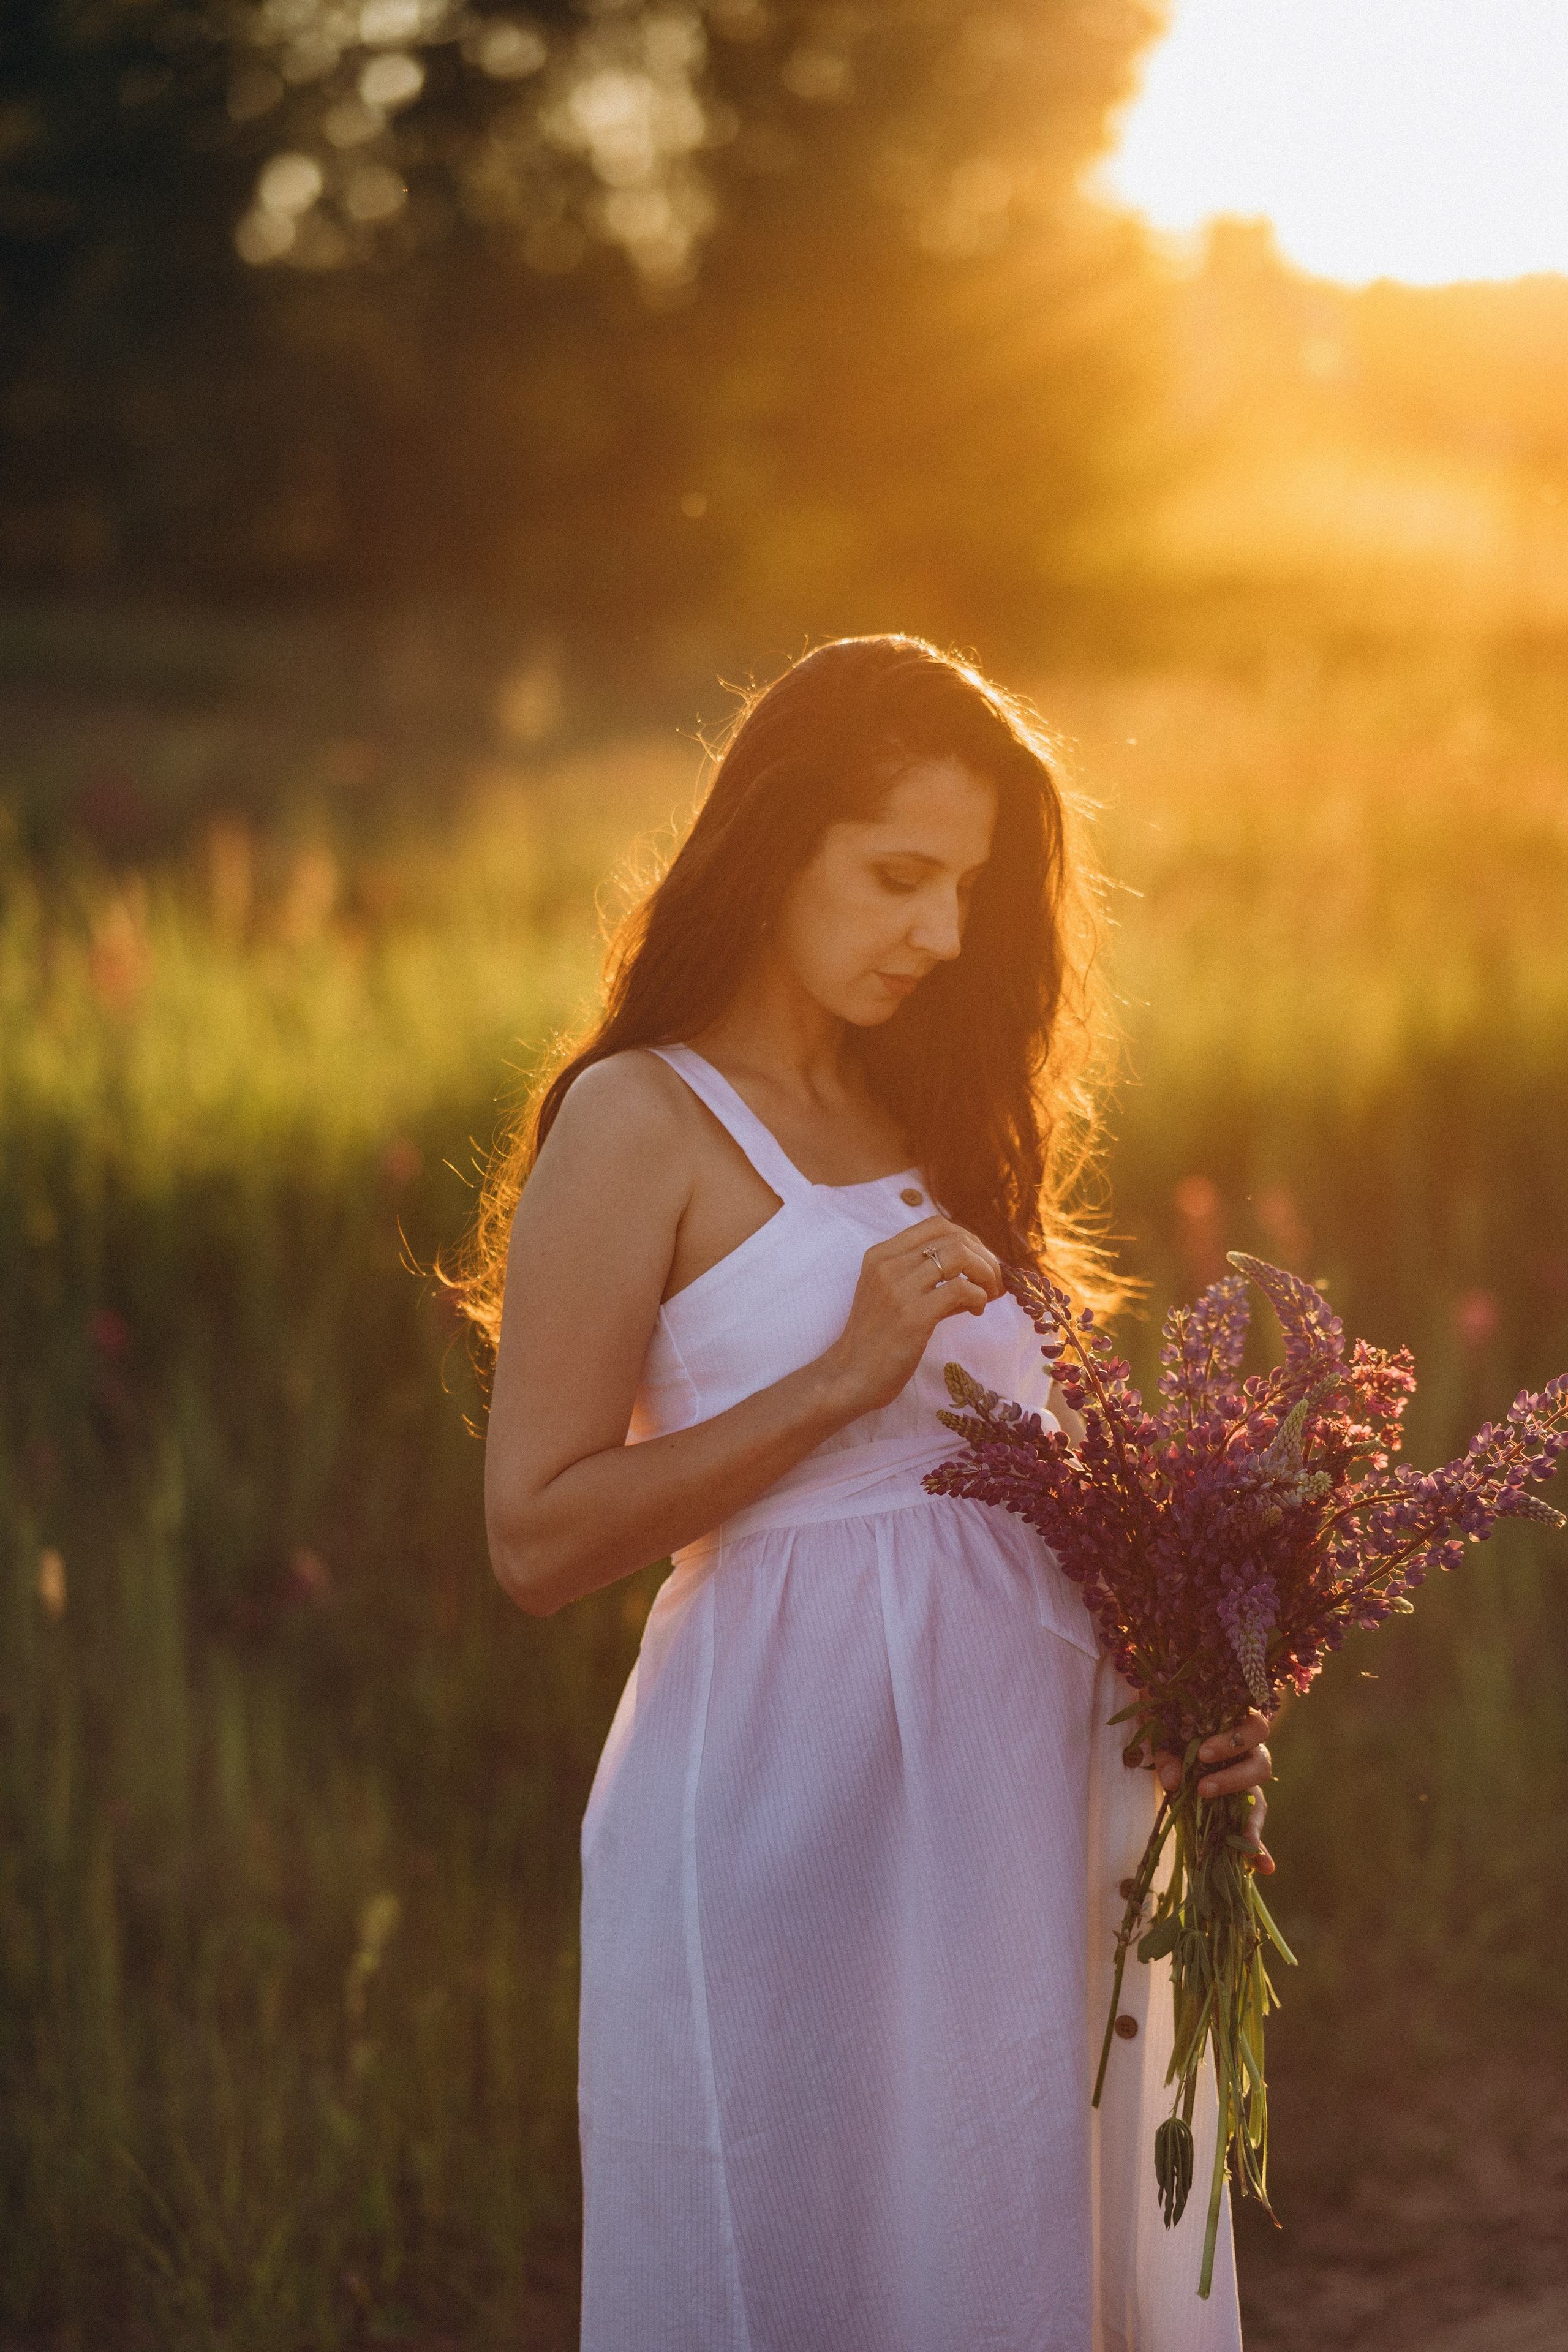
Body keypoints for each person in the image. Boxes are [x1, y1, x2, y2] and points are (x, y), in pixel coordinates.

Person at [464, 636, 1269, 2351]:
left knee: (1026, 2271)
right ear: (775, 845)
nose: (945, 934)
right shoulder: (642, 1119)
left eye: (969, 888)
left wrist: (1195, 1687)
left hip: (1037, 1809)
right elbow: (534, 1536)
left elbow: (1063, 1493)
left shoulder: (937, 1116)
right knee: (811, 2270)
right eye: (901, 876)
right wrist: (834, 1380)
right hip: (788, 1815)